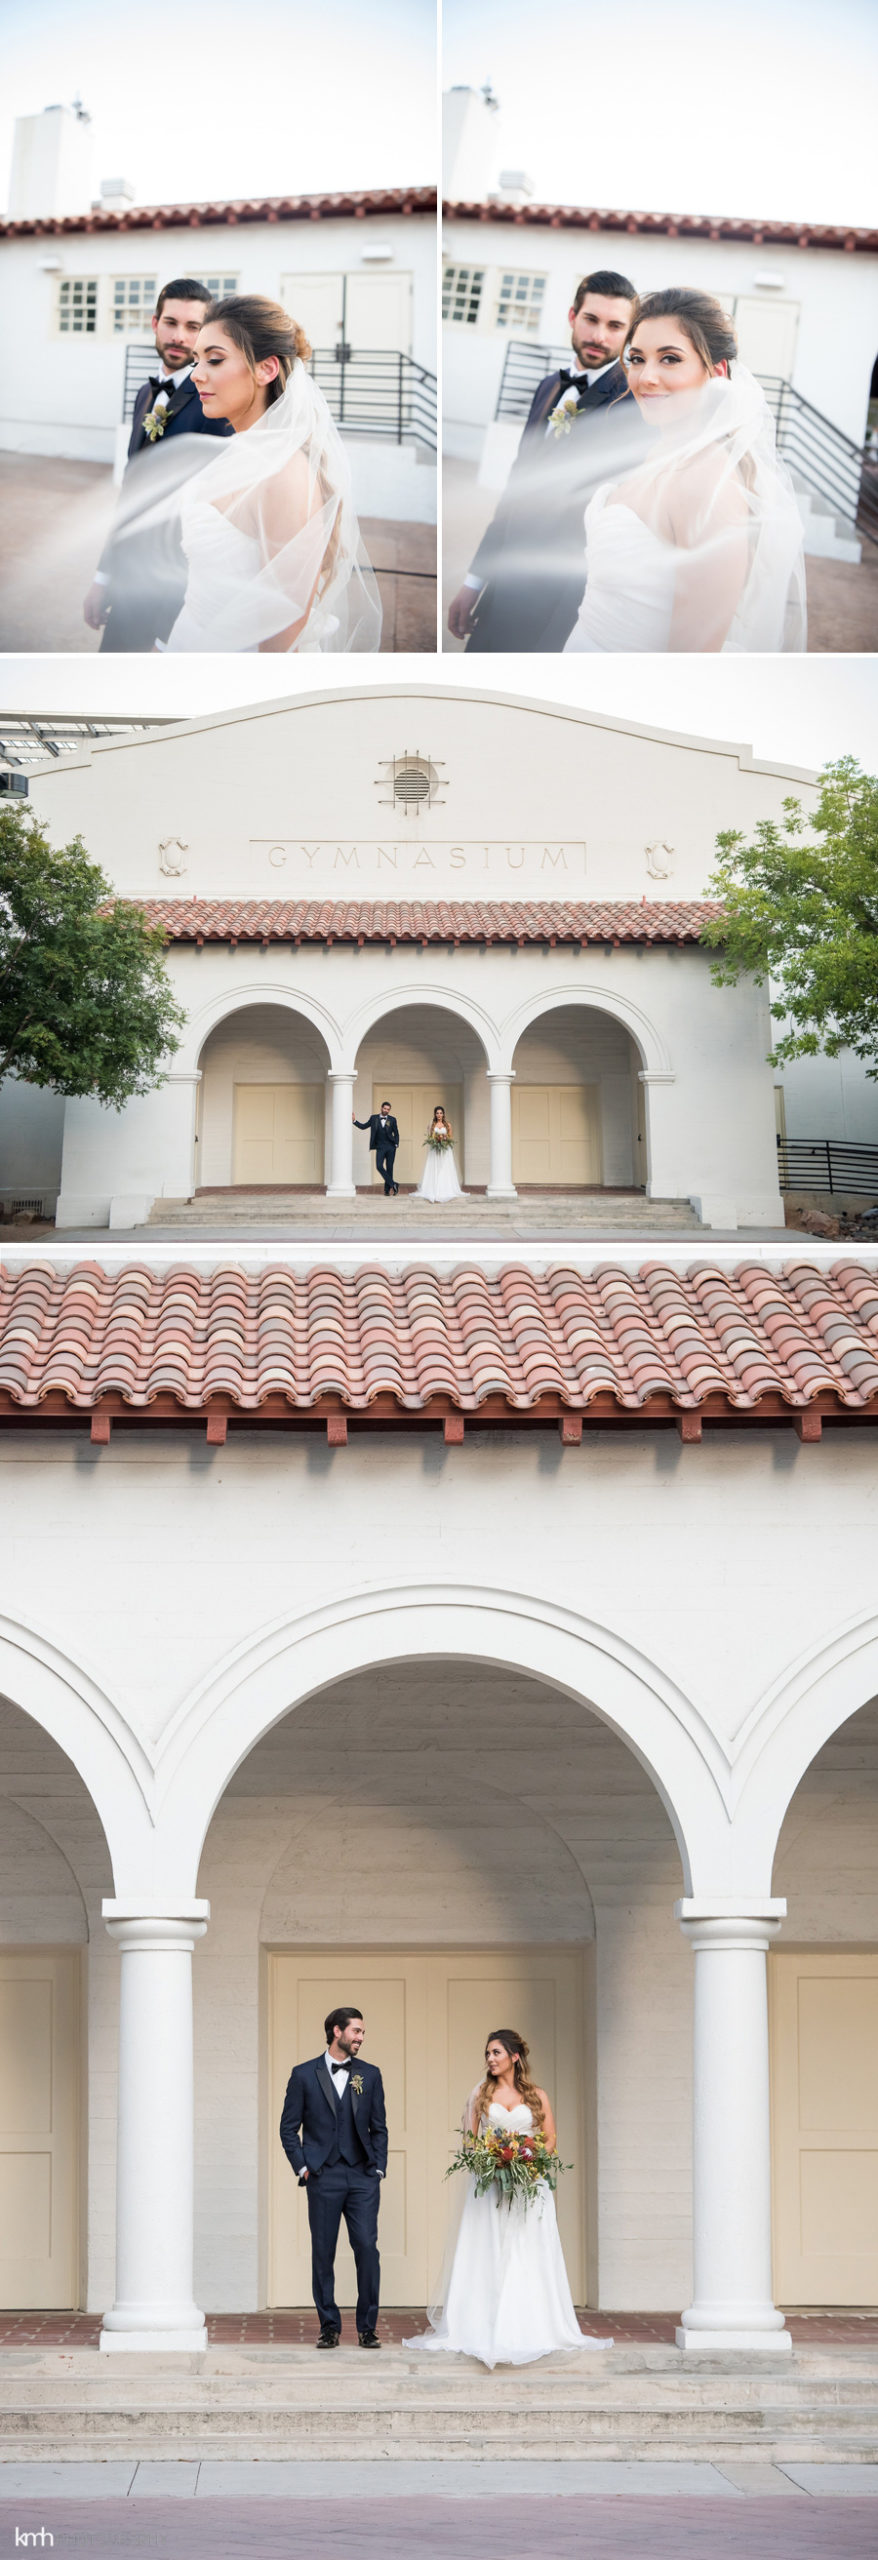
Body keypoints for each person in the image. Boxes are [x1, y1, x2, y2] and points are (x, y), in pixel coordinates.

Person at [114, 294, 381, 653]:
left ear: (265, 369)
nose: (197, 374)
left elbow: (284, 622)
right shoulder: (236, 454)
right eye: (197, 360)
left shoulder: (283, 474)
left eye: (214, 359)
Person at [563, 289, 807, 654]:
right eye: (637, 358)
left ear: (717, 372)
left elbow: (691, 658)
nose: (646, 377)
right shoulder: (662, 452)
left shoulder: (705, 481)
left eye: (670, 359)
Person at [446, 271, 641, 653]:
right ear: (572, 317)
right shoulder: (548, 386)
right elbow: (516, 490)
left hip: (561, 604)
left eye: (615, 326)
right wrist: (474, 581)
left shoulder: (631, 406)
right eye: (591, 320)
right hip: (502, 588)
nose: (600, 336)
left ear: (629, 333)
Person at [405, 2029, 611, 2368]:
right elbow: (471, 2141)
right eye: (487, 2053)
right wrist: (493, 2161)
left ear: (515, 2057)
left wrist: (528, 2162)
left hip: (530, 2185)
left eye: (496, 2052)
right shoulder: (480, 2095)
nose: (490, 2059)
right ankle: (481, 2324)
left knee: (527, 2250)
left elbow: (550, 2139)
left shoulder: (537, 2096)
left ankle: (530, 2325)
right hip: (490, 2187)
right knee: (489, 2250)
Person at [83, 277, 235, 653]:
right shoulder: (143, 394)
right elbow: (132, 494)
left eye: (193, 327)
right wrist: (104, 576)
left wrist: (172, 637)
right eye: (171, 323)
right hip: (127, 586)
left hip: (173, 603)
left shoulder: (215, 405)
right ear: (155, 324)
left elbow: (214, 528)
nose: (179, 336)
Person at [279, 2005, 387, 2351]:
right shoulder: (303, 2074)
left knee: (367, 2249)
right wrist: (303, 2166)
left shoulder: (369, 2075)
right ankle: (329, 2326)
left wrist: (378, 2168)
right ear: (336, 2031)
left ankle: (367, 2327)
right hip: (322, 2176)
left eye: (362, 2033)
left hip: (361, 2177)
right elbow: (287, 2128)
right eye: (356, 2031)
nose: (361, 2038)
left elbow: (379, 2127)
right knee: (323, 2252)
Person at [417, 1105, 464, 1202]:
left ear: (443, 1114)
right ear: (435, 1114)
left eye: (441, 1113)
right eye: (437, 1113)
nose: (439, 1115)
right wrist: (435, 1141)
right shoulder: (432, 1124)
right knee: (434, 1168)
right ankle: (432, 1189)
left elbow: (450, 1138)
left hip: (445, 1150)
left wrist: (444, 1140)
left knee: (444, 1168)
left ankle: (446, 1189)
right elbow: (430, 1137)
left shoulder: (448, 1125)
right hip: (434, 1150)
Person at [353, 1100, 399, 1194]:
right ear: (381, 1108)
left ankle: (387, 1190)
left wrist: (396, 1144)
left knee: (389, 1168)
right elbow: (363, 1126)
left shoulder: (392, 1119)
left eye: (388, 1109)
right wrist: (354, 1121)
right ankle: (393, 1184)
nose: (386, 1110)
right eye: (385, 1108)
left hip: (391, 1147)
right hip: (380, 1147)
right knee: (379, 1166)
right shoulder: (374, 1118)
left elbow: (396, 1133)